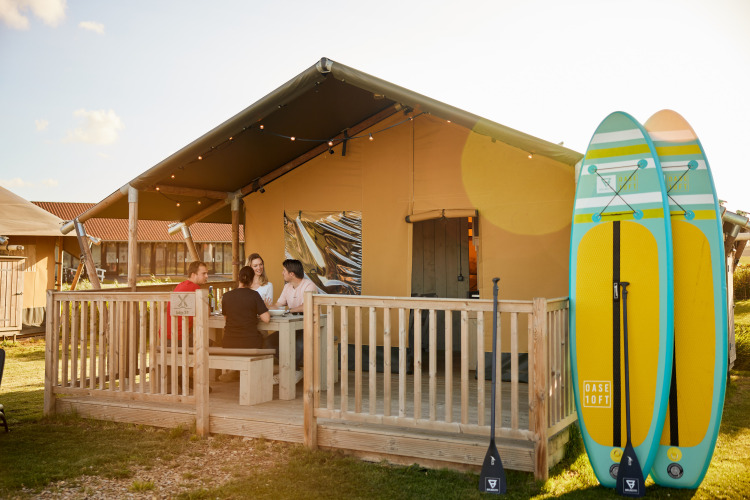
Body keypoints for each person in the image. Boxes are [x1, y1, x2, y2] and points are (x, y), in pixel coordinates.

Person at [271, 259, 319, 371]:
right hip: (291, 327)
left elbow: (307, 306)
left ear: (291, 274)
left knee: (299, 345)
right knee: (268, 343)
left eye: (284, 270)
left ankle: (292, 370)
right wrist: (264, 308)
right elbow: (278, 305)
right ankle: (293, 368)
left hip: (308, 327)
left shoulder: (309, 285)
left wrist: (289, 310)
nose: (282, 273)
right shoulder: (287, 287)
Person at [221, 266, 270, 349]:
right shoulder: (254, 295)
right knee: (266, 338)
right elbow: (266, 319)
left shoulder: (226, 296)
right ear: (252, 280)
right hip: (250, 343)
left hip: (229, 343)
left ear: (238, 278)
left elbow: (226, 318)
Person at [166, 260, 209, 345]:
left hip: (167, 336)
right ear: (193, 275)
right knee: (212, 343)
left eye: (207, 273)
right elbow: (206, 313)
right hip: (181, 338)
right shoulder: (195, 288)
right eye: (203, 274)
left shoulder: (180, 285)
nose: (207, 276)